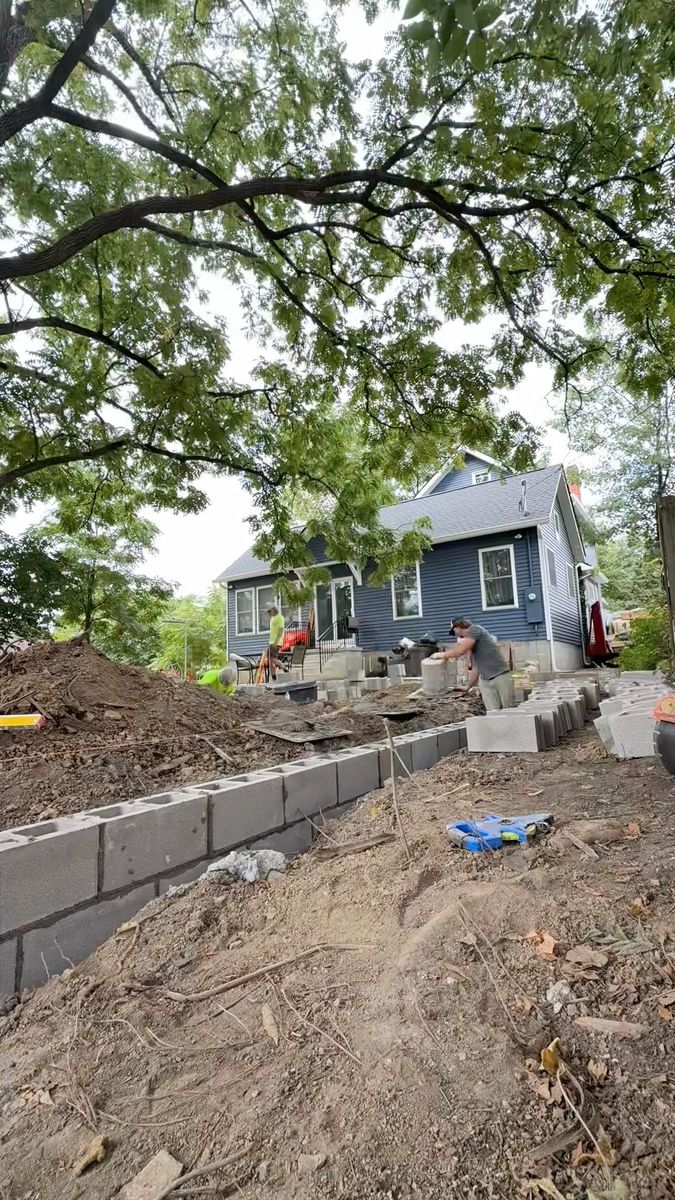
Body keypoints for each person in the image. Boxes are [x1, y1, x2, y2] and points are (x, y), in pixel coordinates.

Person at [432, 617, 513, 711]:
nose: (455, 636)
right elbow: (476, 667)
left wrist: (442, 655)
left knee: (508, 711)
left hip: (500, 675)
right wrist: (467, 687)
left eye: (453, 632)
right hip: (485, 680)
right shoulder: (474, 647)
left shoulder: (475, 629)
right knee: (493, 713)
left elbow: (461, 650)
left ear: (458, 626)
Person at [266, 603, 288, 681]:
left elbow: (281, 630)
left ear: (273, 609)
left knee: (270, 657)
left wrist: (275, 642)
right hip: (271, 642)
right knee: (271, 659)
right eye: (268, 612)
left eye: (269, 611)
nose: (269, 613)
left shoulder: (280, 617)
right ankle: (274, 677)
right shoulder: (272, 618)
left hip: (276, 642)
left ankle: (281, 665)